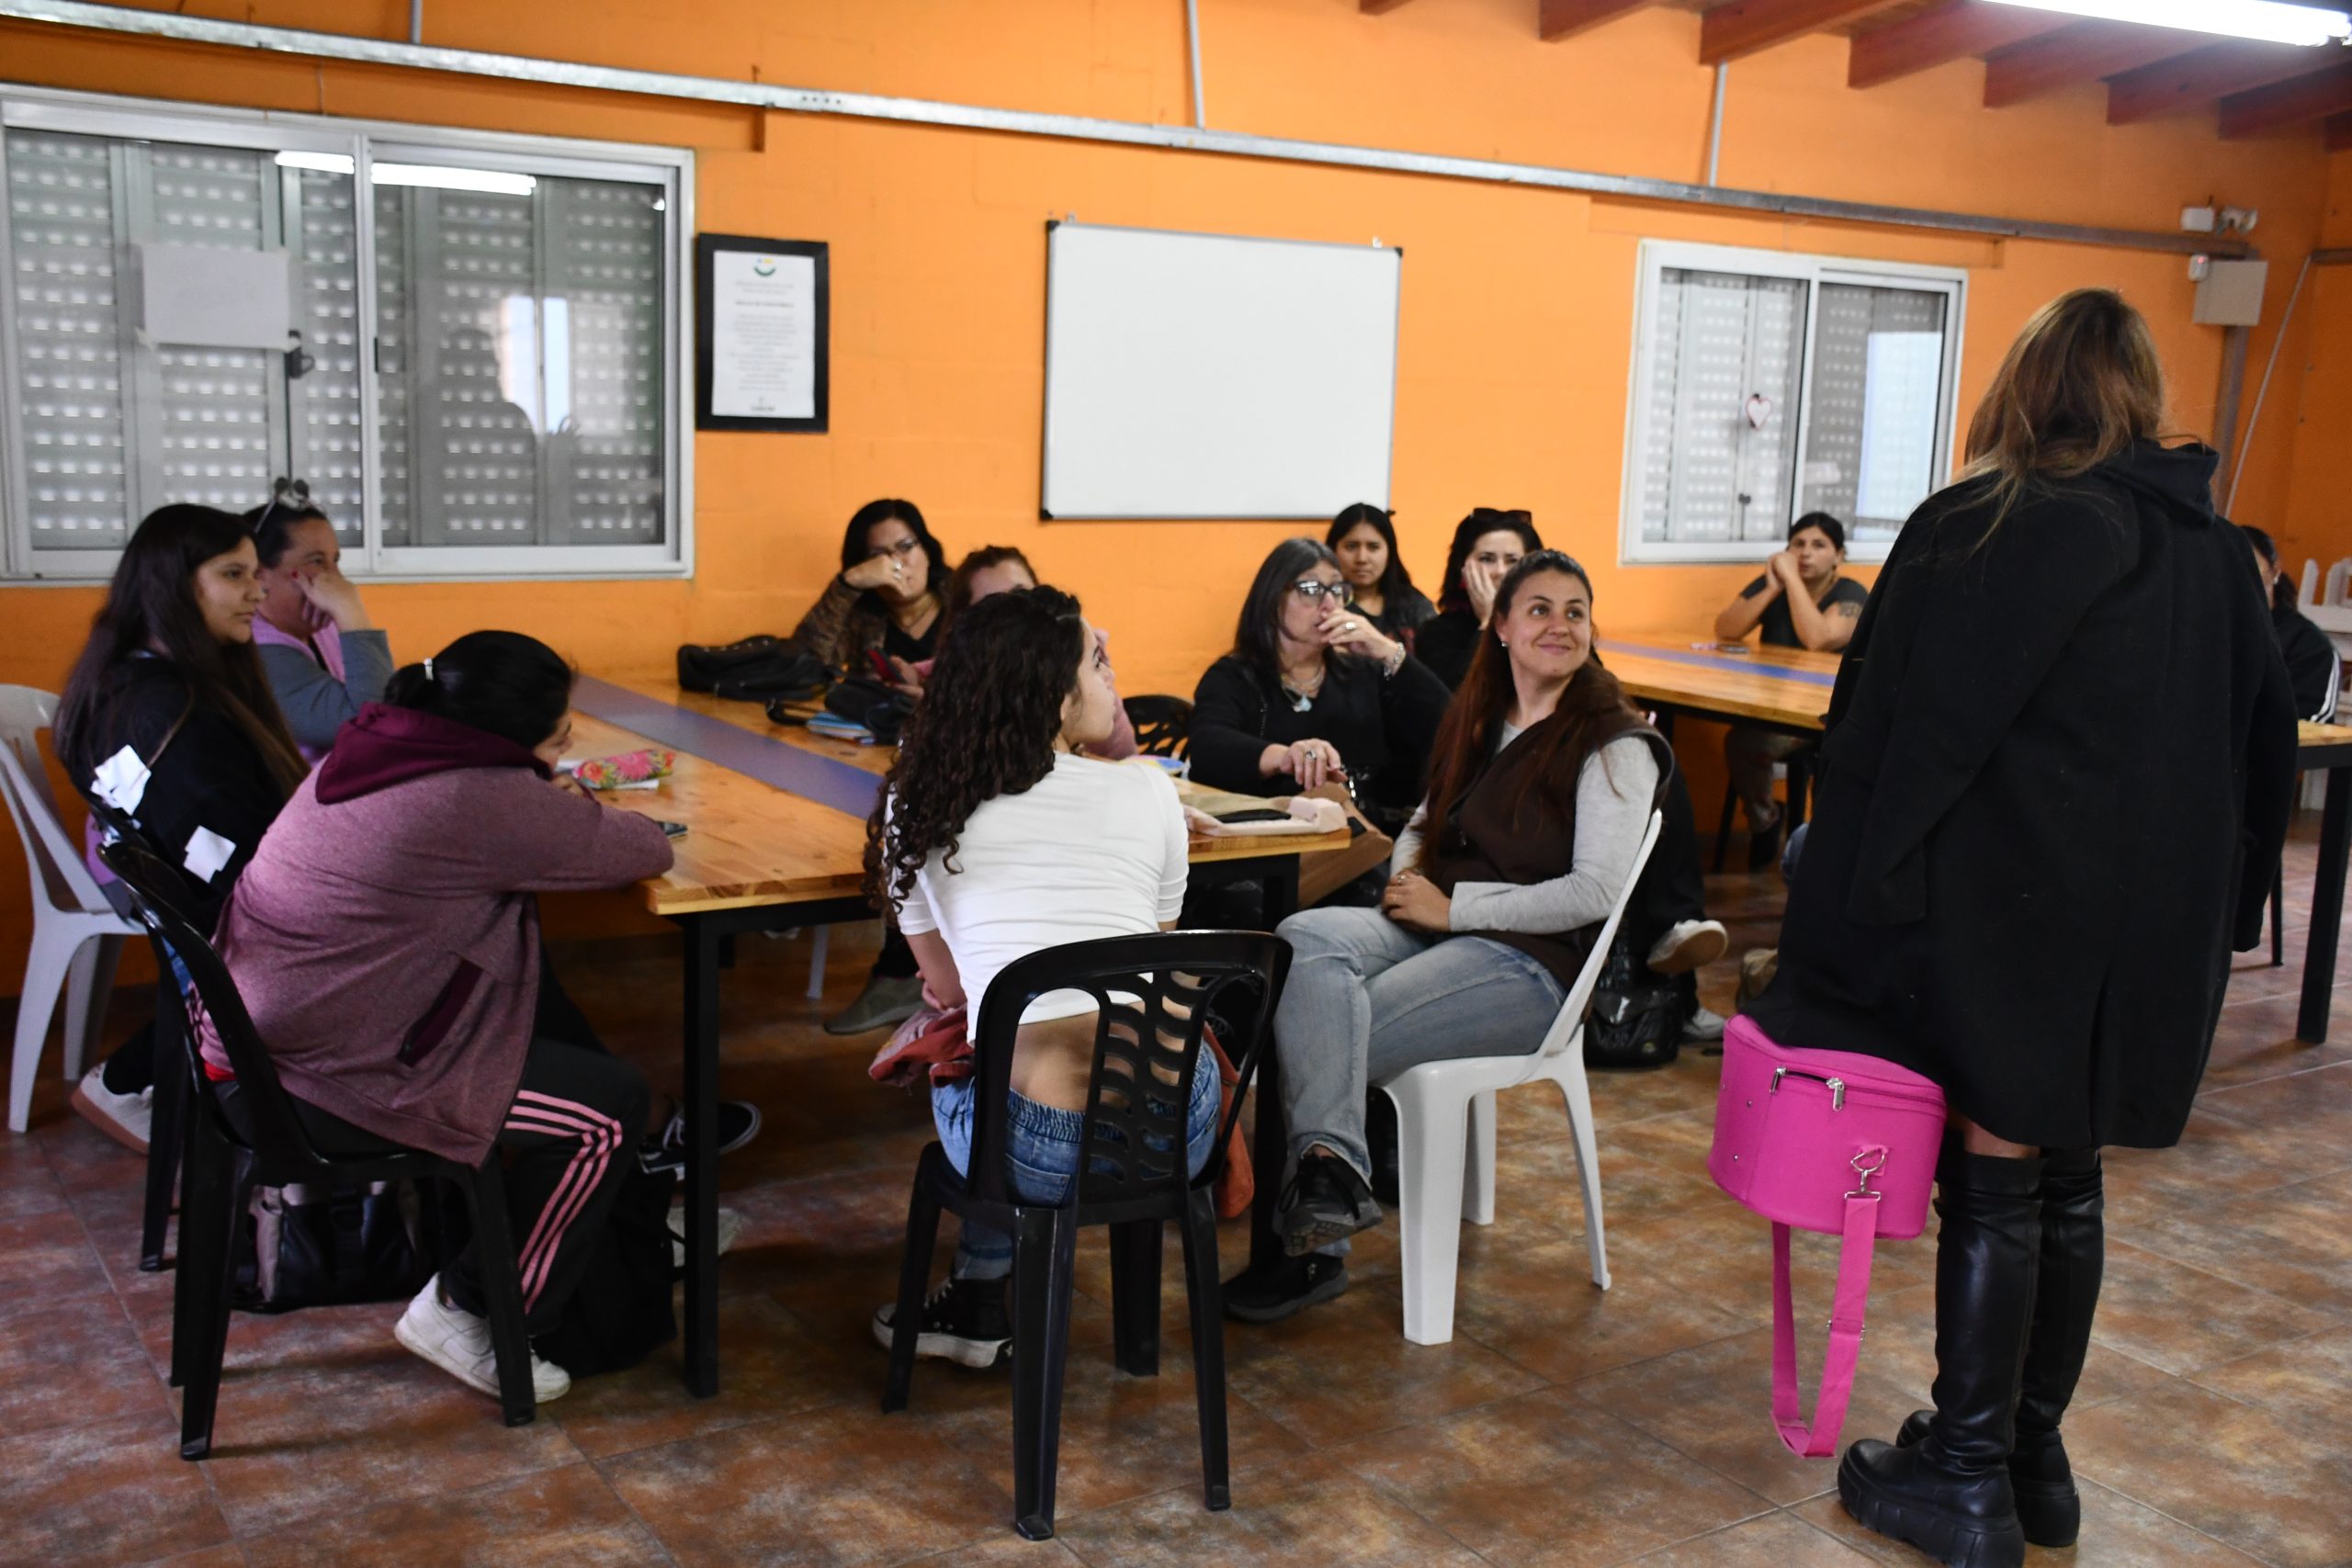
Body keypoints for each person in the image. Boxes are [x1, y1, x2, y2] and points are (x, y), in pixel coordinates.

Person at [1749, 289, 2298, 1567]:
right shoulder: (2214, 552)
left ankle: (1965, 1476)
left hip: (2008, 911)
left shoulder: (1980, 525)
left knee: (1995, 1178)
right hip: (2147, 928)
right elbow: (2265, 748)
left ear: (2021, 386)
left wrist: (1845, 914)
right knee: (2067, 1172)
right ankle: (2029, 1458)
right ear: (2141, 391)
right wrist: (2224, 916)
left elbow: (1888, 735)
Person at [200, 632, 693, 1404]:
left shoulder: (376, 747)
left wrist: (539, 797)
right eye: (558, 734)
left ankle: (594, 1242)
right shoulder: (477, 796)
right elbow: (642, 850)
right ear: (508, 740)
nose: (565, 746)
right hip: (313, 1081)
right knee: (605, 1111)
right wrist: (558, 801)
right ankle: (475, 1309)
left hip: (260, 1039)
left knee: (539, 1013)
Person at [1227, 551, 1670, 1321]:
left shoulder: (1613, 740)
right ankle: (1333, 1182)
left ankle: (1314, 1247)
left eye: (1575, 611)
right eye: (1539, 609)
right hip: (1441, 925)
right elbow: (1424, 822)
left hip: (1532, 966)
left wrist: (1453, 908)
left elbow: (1593, 892)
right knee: (1302, 938)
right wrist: (1409, 886)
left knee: (1324, 1028)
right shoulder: (1482, 718)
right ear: (1501, 626)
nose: (1560, 625)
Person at [862, 587, 1217, 1368]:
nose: (1114, 675)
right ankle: (1101, 1331)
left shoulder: (920, 803)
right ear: (1056, 698)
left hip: (1036, 1147)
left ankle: (979, 1291)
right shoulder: (1149, 788)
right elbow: (1144, 957)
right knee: (1042, 1029)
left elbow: (952, 988)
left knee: (974, 1042)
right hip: (1176, 1126)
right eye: (1099, 661)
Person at [54, 503, 308, 1152]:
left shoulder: (131, 682)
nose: (257, 592)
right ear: (170, 585)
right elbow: (237, 863)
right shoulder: (170, 712)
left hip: (213, 927)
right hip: (239, 938)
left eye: (256, 574)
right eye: (233, 574)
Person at [797, 501, 951, 1035]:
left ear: (928, 549)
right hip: (872, 761)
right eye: (878, 555)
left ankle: (899, 973)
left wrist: (933, 695)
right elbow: (805, 660)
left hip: (954, 763)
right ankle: (904, 974)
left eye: (906, 547)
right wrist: (846, 586)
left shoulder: (963, 606)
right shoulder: (865, 615)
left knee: (913, 828)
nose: (896, 564)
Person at [1188, 537, 1450, 844]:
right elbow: (1207, 746)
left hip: (1366, 841)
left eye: (1337, 590)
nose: (1329, 605)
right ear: (1272, 599)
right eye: (1311, 589)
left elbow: (1449, 723)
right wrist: (1285, 756)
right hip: (1271, 845)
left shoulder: (1362, 671)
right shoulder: (1235, 676)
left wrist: (1389, 651)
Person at [1713, 513, 1868, 864]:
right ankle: (1765, 819)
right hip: (1774, 708)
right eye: (1798, 544)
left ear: (1839, 556)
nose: (1805, 553)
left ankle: (1818, 846)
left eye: (1819, 545)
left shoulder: (1851, 594)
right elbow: (1726, 629)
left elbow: (1818, 639)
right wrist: (1771, 587)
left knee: (1750, 743)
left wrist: (1792, 580)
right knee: (1741, 741)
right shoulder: (1775, 585)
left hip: (1823, 715)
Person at [901, 546, 1139, 760]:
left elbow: (1123, 756)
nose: (1014, 615)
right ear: (965, 626)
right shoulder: (950, 680)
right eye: (993, 607)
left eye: (1023, 596)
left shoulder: (1082, 665)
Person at [244, 479, 394, 763]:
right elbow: (372, 724)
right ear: (260, 574)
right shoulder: (259, 651)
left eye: (335, 561)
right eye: (316, 562)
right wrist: (352, 613)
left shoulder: (319, 624)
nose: (335, 579)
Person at [1414, 509, 1542, 691]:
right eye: (1487, 559)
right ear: (1462, 567)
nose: (1500, 571)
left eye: (1512, 560)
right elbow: (1453, 699)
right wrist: (1489, 622)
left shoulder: (1549, 626)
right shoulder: (1436, 634)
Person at [2241, 524, 2340, 721]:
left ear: (2275, 569)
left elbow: (2309, 720)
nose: (2238, 574)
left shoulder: (2308, 644)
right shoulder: (2199, 632)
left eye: (2249, 562)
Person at [1327, 503, 1436, 649]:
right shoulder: (1321, 605)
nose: (1362, 558)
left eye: (1373, 547)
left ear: (1389, 552)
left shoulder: (1414, 605)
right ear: (1332, 550)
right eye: (1351, 546)